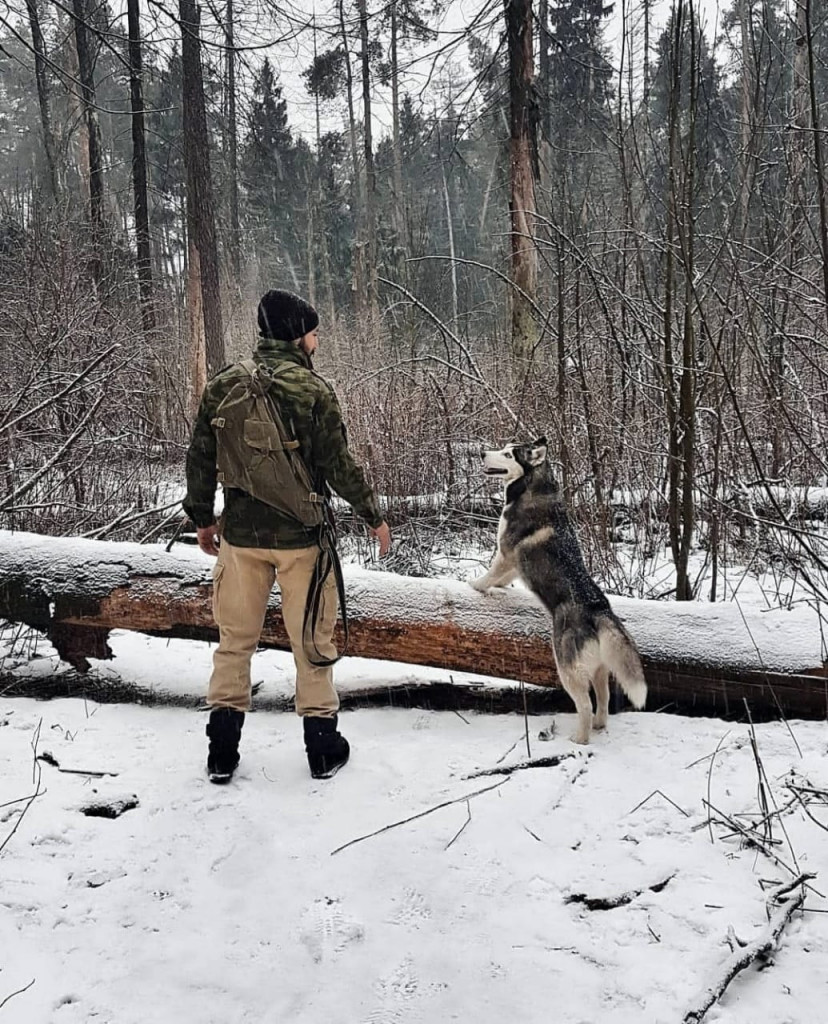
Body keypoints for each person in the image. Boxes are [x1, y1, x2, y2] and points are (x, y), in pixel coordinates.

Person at [184, 289, 391, 784]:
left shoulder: (224, 384)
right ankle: (322, 749)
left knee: (234, 642)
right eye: (314, 332)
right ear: (297, 335)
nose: (317, 340)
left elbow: (199, 456)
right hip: (302, 541)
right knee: (311, 641)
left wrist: (203, 519)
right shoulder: (313, 391)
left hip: (241, 537)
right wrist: (372, 515)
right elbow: (337, 465)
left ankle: (222, 753)